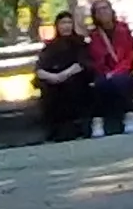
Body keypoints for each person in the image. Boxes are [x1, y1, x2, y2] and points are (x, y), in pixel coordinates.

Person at [30, 12, 94, 142]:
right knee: (50, 89)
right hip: (53, 79)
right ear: (57, 26)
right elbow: (40, 68)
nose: (66, 26)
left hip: (75, 77)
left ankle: (76, 126)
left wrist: (63, 75)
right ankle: (55, 129)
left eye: (69, 23)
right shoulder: (50, 46)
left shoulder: (80, 43)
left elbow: (82, 63)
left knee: (72, 85)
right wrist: (52, 76)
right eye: (63, 23)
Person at [85, 0, 133, 133]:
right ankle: (98, 121)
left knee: (120, 81)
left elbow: (130, 54)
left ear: (111, 10)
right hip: (104, 72)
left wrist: (118, 71)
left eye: (105, 8)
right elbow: (95, 58)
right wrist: (106, 72)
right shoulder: (94, 36)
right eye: (98, 10)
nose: (103, 12)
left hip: (123, 71)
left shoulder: (123, 30)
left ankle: (130, 115)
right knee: (100, 84)